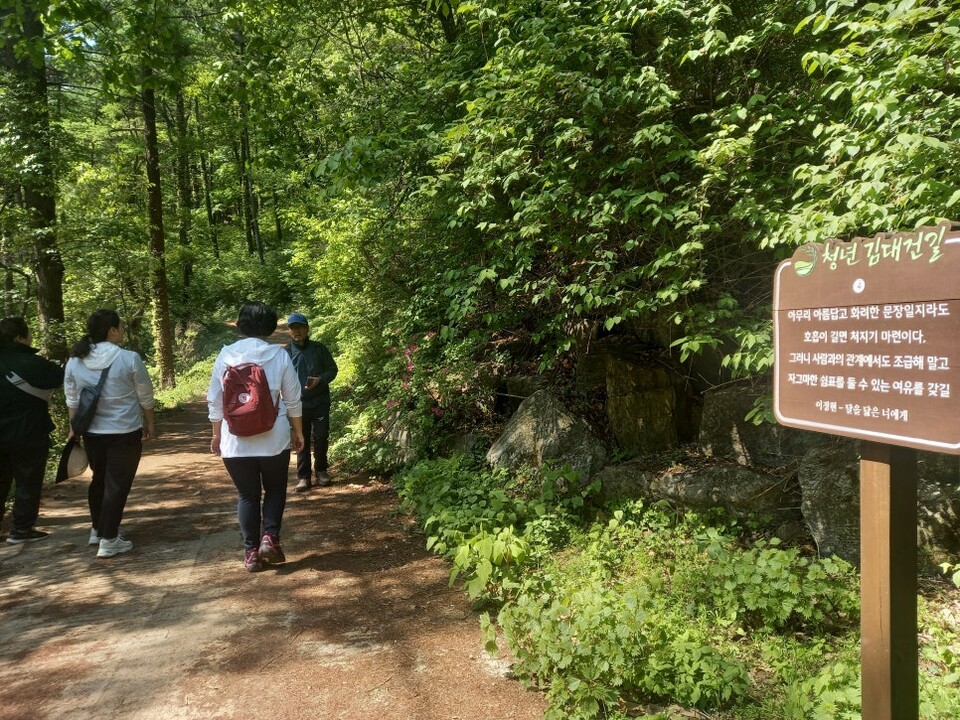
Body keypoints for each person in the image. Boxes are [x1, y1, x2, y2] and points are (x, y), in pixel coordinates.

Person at [208, 301, 304, 573]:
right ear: (271, 327)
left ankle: (250, 553)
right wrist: (297, 431)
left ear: (240, 325)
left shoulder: (225, 355)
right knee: (274, 489)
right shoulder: (279, 355)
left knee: (247, 496)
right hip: (273, 438)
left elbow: (214, 400)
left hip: (235, 441)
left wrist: (217, 435)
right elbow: (293, 398)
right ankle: (270, 538)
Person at [64, 309, 155, 559]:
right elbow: (144, 395)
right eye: (121, 327)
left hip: (92, 432)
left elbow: (72, 398)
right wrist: (150, 422)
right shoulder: (129, 358)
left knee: (100, 480)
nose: (123, 331)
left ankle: (97, 529)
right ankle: (109, 539)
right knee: (117, 484)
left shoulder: (75, 360)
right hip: (124, 431)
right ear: (112, 330)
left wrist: (75, 428)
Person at [0, 316, 64, 544]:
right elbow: (58, 377)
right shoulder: (31, 363)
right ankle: (21, 529)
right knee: (28, 480)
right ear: (20, 337)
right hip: (28, 432)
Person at [285, 312, 338, 492]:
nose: (296, 331)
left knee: (321, 436)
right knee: (302, 439)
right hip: (297, 404)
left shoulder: (319, 349)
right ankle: (303, 476)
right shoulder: (285, 353)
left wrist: (320, 380)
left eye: (300, 327)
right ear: (289, 332)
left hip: (320, 401)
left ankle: (321, 470)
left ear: (307, 329)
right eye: (293, 328)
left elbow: (332, 369)